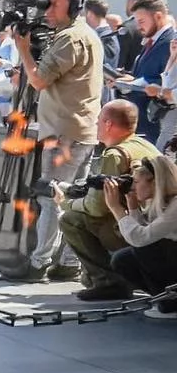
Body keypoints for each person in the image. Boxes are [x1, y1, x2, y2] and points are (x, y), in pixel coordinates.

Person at [9, 0, 103, 282]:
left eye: (53, 3)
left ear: (73, 6)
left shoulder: (69, 39)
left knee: (51, 197)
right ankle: (67, 262)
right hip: (82, 129)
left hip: (64, 133)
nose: (46, 10)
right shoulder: (84, 35)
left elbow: (37, 80)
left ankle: (39, 263)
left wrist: (23, 50)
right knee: (73, 198)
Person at [55, 99, 160, 298]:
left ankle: (108, 283)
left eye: (98, 121)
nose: (95, 126)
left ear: (108, 124)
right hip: (155, 225)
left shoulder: (115, 154)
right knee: (87, 279)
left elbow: (98, 208)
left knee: (70, 220)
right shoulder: (144, 145)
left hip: (138, 229)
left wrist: (64, 201)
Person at [106, 154, 177, 318]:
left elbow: (142, 239)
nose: (133, 187)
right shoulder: (162, 201)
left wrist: (117, 209)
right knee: (122, 259)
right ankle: (165, 298)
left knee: (145, 248)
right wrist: (133, 207)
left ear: (154, 182)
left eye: (136, 182)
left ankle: (171, 304)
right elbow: (145, 232)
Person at [118, 0, 174, 143]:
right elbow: (148, 75)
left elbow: (170, 83)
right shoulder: (153, 41)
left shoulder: (170, 43)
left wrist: (147, 85)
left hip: (158, 126)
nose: (138, 26)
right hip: (146, 125)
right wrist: (128, 80)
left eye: (141, 21)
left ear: (158, 16)